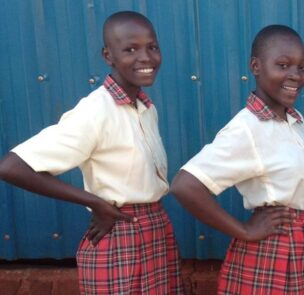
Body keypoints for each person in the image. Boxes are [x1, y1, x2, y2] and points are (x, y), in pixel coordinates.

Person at [0, 11, 183, 294]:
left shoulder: (146, 108)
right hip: (121, 234)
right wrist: (95, 202)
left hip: (155, 228)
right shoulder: (96, 110)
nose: (146, 57)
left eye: (153, 47)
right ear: (108, 56)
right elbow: (12, 167)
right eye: (130, 49)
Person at [170, 24, 304, 294]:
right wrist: (244, 231)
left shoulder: (293, 121)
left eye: (301, 67)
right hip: (276, 255)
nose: (296, 76)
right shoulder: (247, 129)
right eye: (282, 65)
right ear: (255, 66)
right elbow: (185, 186)